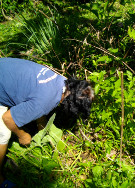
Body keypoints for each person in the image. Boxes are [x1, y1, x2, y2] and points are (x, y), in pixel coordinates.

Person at [0, 58, 94, 186]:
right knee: (3, 134)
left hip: (5, 69)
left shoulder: (61, 81)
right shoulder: (44, 103)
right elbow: (7, 118)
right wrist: (23, 136)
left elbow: (39, 97)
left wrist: (41, 125)